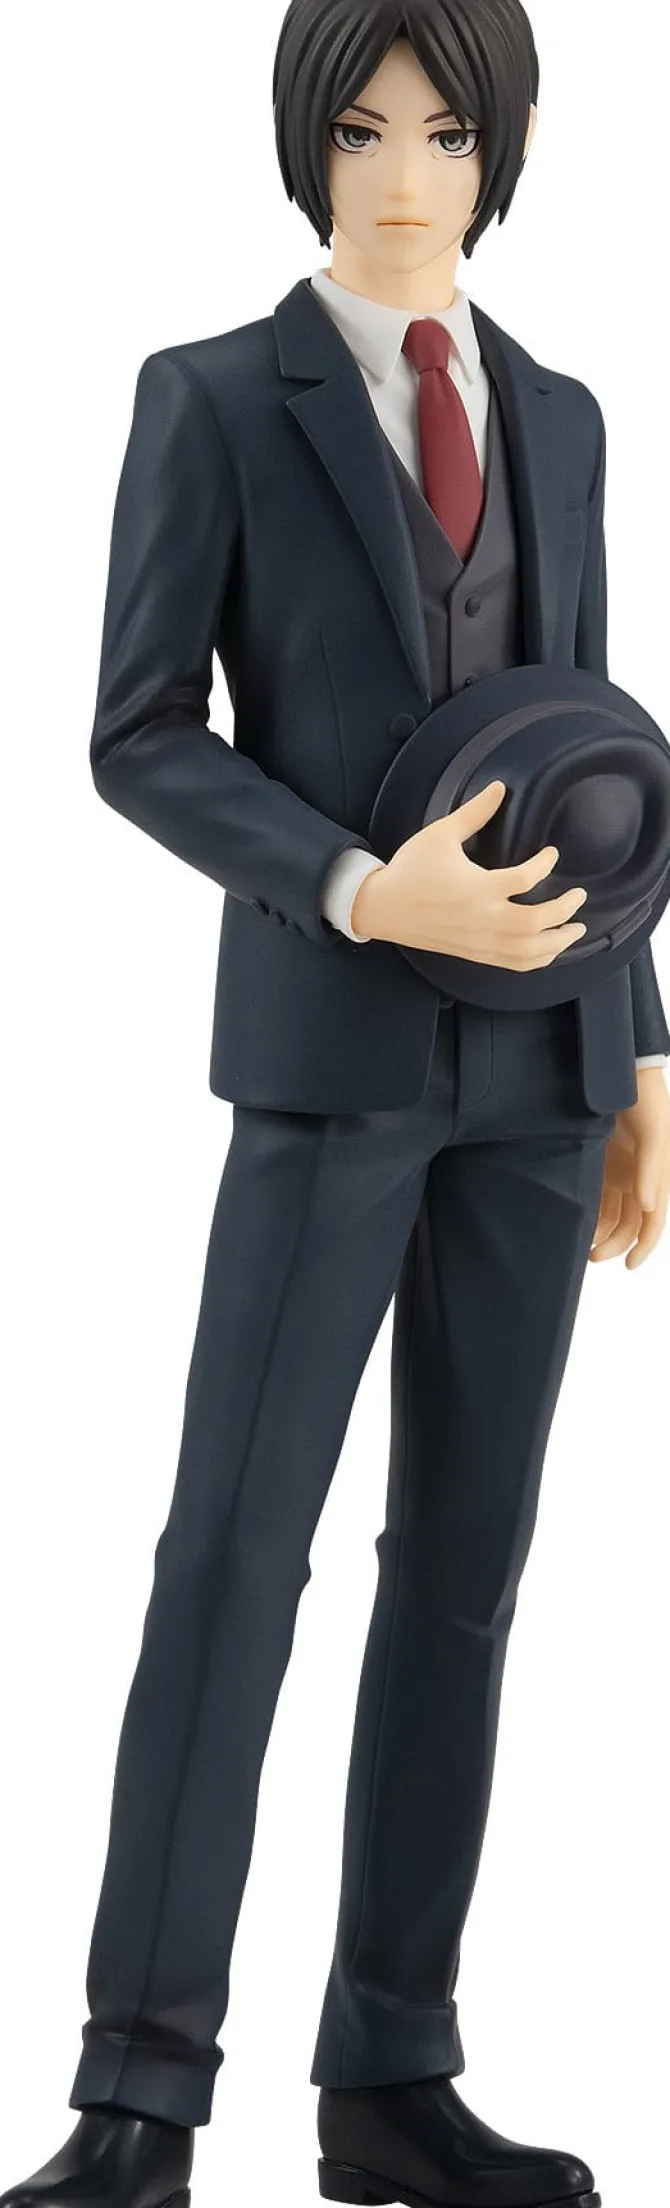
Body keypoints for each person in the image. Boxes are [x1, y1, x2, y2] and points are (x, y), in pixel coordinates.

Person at [3, 5, 669, 2206]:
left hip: (542, 1077)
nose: (399, 175)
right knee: (233, 1556)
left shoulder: (558, 413)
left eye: (443, 131)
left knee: (461, 1574)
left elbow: (588, 734)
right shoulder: (212, 397)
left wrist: (641, 1046)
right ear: (302, 141)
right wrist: (360, 883)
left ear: (504, 149)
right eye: (360, 127)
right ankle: (137, 2093)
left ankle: (390, 2069)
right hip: (331, 1066)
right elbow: (136, 731)